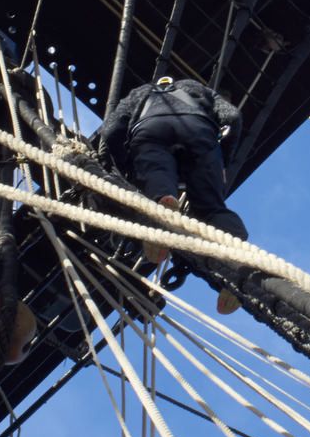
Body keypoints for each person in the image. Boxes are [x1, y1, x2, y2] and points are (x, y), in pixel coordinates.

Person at [94, 77, 247, 307]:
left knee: (157, 179)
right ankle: (237, 259)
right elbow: (233, 117)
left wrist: (124, 169)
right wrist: (223, 160)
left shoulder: (139, 92)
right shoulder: (198, 88)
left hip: (149, 131)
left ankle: (162, 204)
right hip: (200, 131)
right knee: (211, 208)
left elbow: (111, 130)